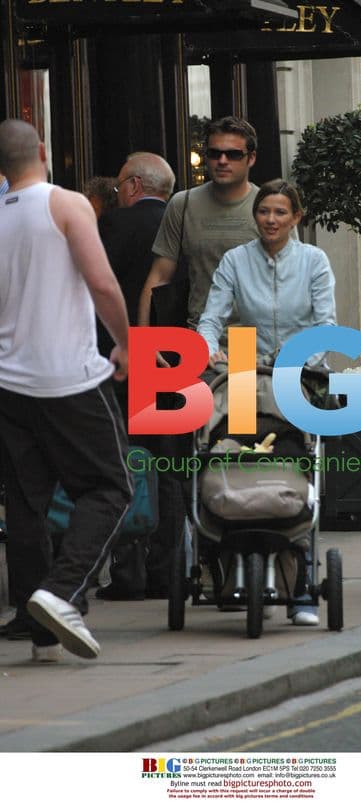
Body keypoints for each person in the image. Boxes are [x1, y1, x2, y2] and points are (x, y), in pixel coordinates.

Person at [0, 119, 132, 661]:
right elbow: (101, 282)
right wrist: (126, 343)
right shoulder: (67, 203)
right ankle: (62, 592)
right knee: (111, 488)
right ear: (42, 150)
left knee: (25, 505)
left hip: (9, 384)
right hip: (68, 378)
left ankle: (41, 636)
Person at [198, 179, 336, 625]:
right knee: (235, 454)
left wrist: (299, 362)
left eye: (280, 212)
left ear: (296, 217)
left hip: (300, 370)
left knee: (297, 460)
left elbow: (325, 324)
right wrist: (209, 350)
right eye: (263, 211)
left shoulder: (313, 260)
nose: (270, 220)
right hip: (243, 365)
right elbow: (211, 317)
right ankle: (229, 566)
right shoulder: (235, 260)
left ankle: (302, 587)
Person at [96, 151, 183, 600]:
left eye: (118, 188)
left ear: (132, 186)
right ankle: (168, 572)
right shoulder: (182, 221)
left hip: (123, 359)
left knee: (128, 461)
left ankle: (129, 573)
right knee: (170, 465)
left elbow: (94, 287)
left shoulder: (114, 225)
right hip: (175, 358)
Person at [137, 115, 259, 331]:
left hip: (248, 336)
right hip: (200, 332)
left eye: (233, 154)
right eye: (214, 153)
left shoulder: (268, 206)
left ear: (250, 158)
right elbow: (159, 276)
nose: (222, 161)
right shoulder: (183, 204)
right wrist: (145, 340)